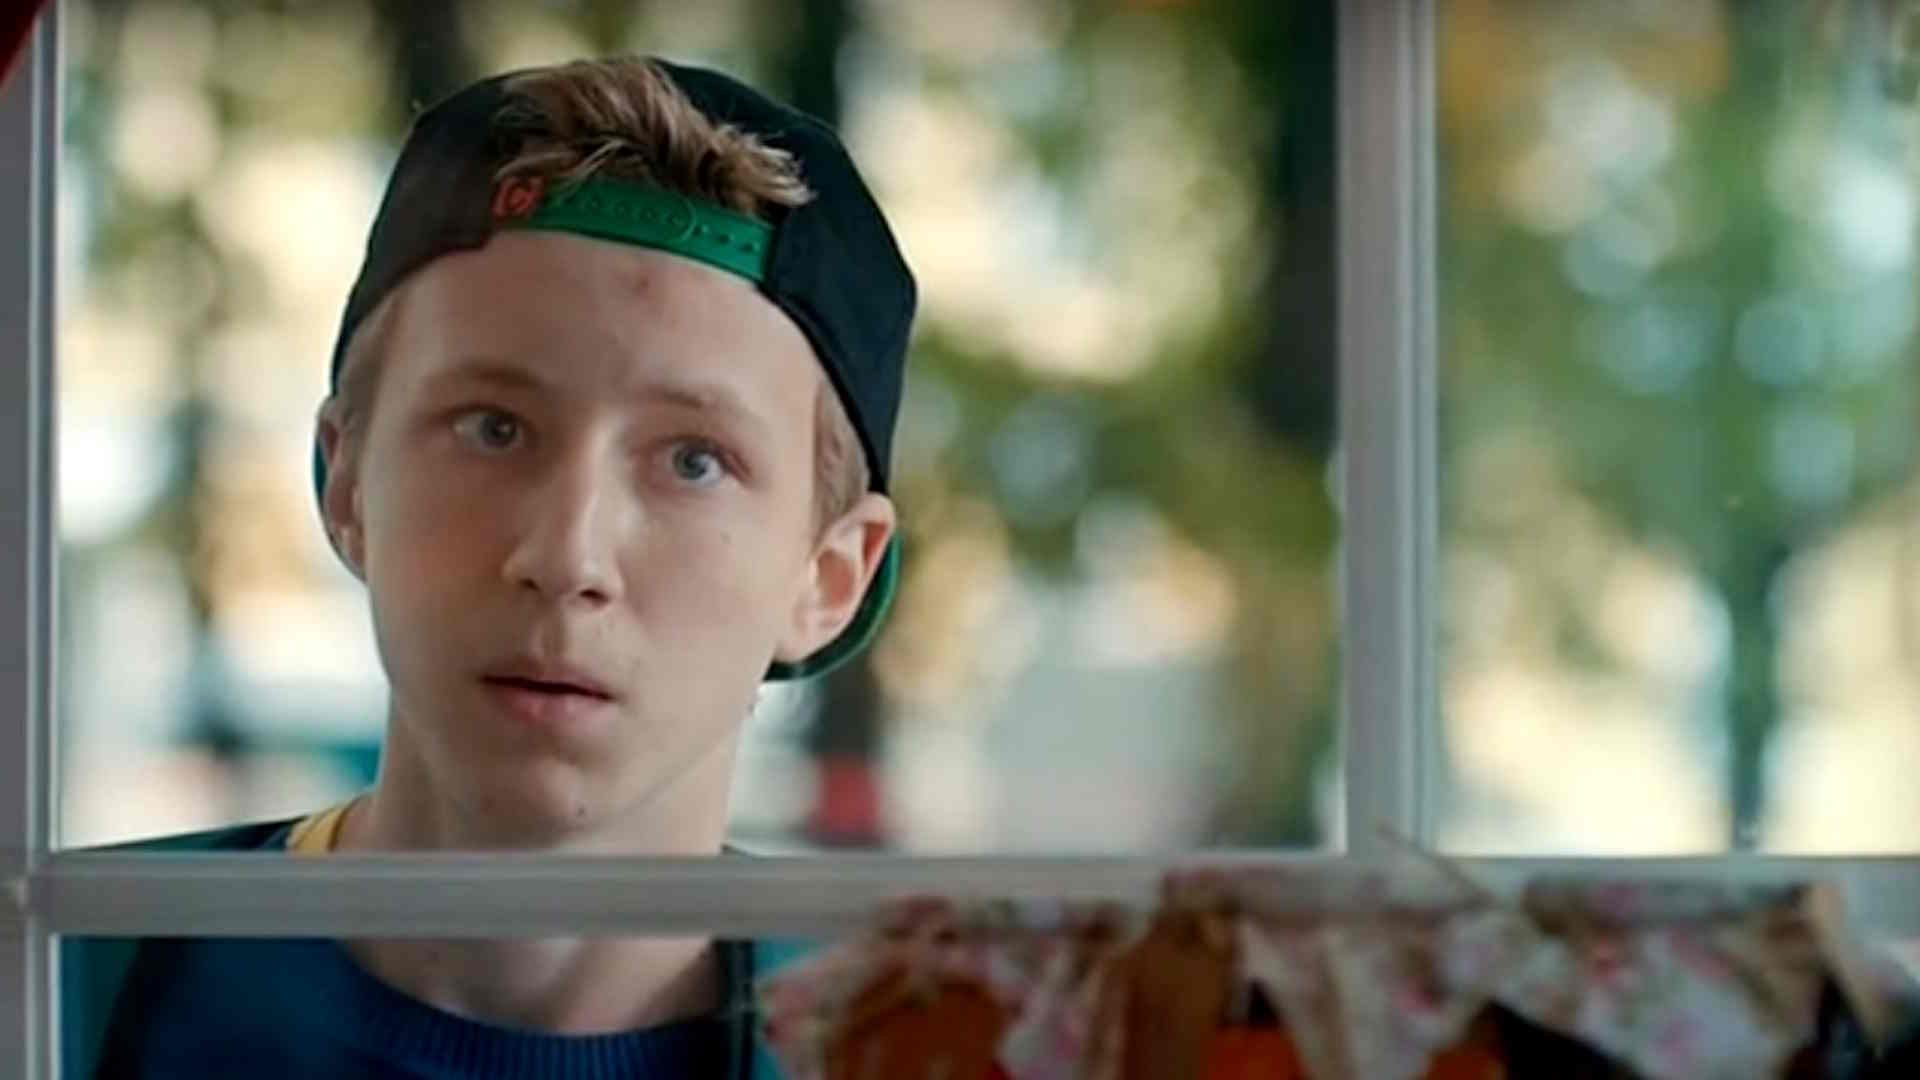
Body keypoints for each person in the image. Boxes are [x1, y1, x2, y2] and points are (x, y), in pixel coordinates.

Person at [63, 53, 915, 1080]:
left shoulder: (939, 1051)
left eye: (695, 461)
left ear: (829, 578)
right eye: (493, 427)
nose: (565, 556)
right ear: (347, 481)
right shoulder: (54, 985)